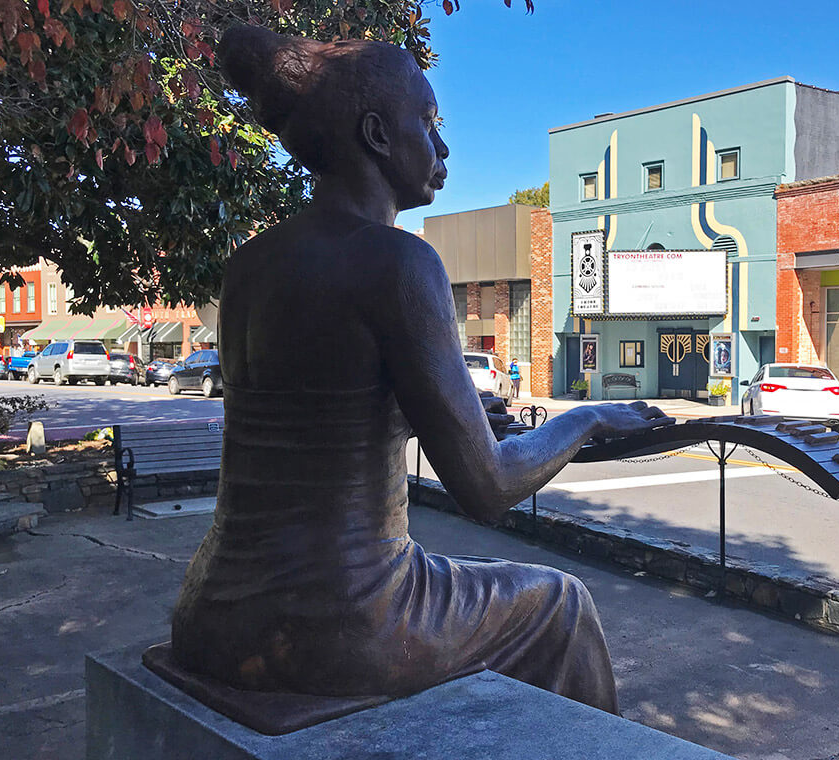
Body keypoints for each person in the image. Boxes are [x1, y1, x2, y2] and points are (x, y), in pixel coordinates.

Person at [170, 26, 673, 716]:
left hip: (212, 615)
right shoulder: (398, 262)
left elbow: (321, 416)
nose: (442, 149)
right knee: (560, 603)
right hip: (345, 623)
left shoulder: (250, 265)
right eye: (429, 125)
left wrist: (450, 413)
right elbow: (489, 487)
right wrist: (585, 418)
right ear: (377, 134)